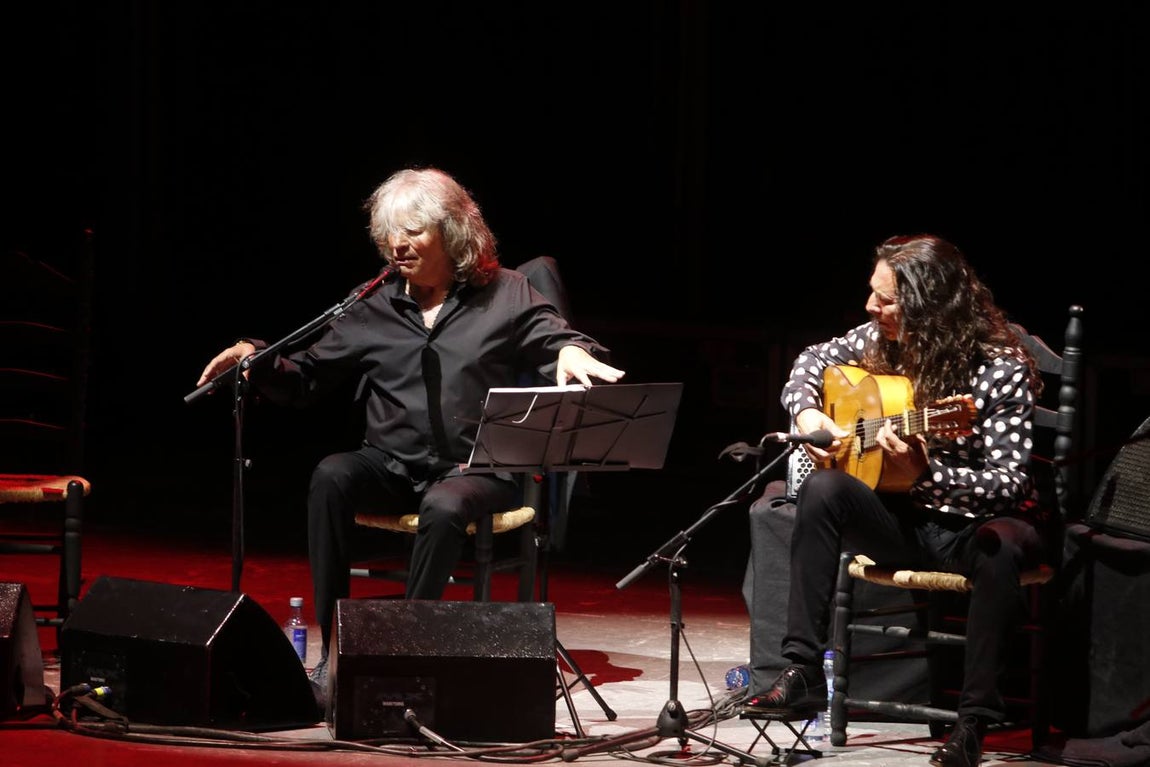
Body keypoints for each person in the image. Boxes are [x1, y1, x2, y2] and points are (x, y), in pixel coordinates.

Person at [196, 167, 624, 703]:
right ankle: (336, 654)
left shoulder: (505, 293)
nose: (397, 245)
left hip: (476, 472)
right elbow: (305, 378)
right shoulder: (371, 304)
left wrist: (571, 351)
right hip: (392, 466)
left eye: (413, 232)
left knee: (445, 505)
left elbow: (557, 338)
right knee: (331, 475)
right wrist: (254, 358)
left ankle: (400, 649)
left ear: (453, 233)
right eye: (389, 233)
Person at [741, 234, 1049, 767]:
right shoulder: (879, 340)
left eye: (885, 299)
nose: (870, 307)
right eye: (872, 293)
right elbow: (810, 360)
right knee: (823, 487)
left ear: (930, 304)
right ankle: (804, 670)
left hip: (973, 530)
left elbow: (1009, 483)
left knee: (1001, 544)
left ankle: (973, 723)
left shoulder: (1000, 367)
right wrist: (807, 413)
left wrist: (926, 475)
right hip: (903, 525)